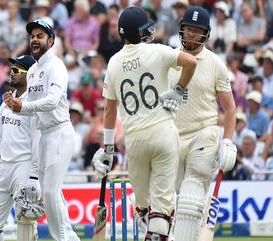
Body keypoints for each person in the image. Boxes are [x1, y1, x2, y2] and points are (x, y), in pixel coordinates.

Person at [92, 6, 197, 241]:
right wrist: (179, 90)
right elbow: (191, 62)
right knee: (161, 208)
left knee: (142, 207)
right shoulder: (157, 51)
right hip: (163, 133)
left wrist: (108, 148)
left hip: (134, 139)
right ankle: (159, 231)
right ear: (140, 32)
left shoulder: (113, 63)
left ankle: (156, 229)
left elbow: (110, 109)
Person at [3, 19, 80, 241]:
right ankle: (69, 238)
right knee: (52, 195)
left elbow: (53, 101)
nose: (34, 40)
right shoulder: (34, 70)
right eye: (32, 36)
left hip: (60, 132)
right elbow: (31, 108)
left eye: (40, 36)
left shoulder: (56, 66)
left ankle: (62, 238)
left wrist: (23, 105)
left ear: (51, 40)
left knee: (49, 193)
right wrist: (14, 105)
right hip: (46, 135)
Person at [167, 6, 237, 241]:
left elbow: (230, 108)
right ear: (181, 29)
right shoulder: (168, 58)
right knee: (170, 202)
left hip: (203, 135)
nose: (191, 35)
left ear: (206, 34)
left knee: (190, 199)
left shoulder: (216, 64)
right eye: (188, 29)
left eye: (197, 31)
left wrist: (227, 140)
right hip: (172, 137)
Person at [0, 55, 43, 241]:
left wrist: (34, 176)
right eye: (10, 69)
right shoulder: (7, 101)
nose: (10, 74)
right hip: (4, 167)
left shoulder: (34, 104)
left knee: (25, 219)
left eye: (16, 70)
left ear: (29, 75)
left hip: (24, 166)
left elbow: (37, 141)